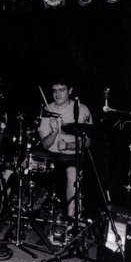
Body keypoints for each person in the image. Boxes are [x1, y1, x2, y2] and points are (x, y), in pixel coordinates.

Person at [37, 78, 92, 218]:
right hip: (50, 155)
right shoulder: (47, 110)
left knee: (72, 172)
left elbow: (87, 143)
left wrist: (68, 145)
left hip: (71, 155)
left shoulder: (82, 109)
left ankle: (71, 219)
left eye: (61, 90)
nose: (57, 94)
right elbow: (45, 144)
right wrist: (54, 132)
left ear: (70, 90)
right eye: (54, 91)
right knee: (22, 164)